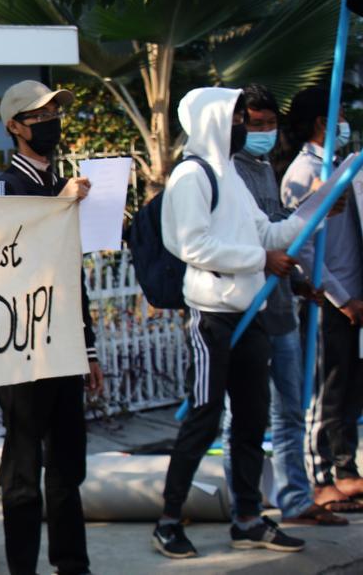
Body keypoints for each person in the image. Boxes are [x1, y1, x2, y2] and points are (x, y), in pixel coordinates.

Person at [153, 87, 307, 558]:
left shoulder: (232, 178)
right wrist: (260, 260)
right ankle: (168, 520)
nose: (244, 124)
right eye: (238, 116)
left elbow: (268, 232)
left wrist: (312, 211)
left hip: (250, 314)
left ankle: (247, 518)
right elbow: (191, 245)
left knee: (251, 420)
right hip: (212, 319)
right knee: (203, 418)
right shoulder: (190, 176)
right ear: (215, 120)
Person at [0, 79, 103, 575]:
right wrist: (60, 205)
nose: (50, 124)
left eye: (55, 115)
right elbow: (4, 263)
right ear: (14, 127)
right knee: (24, 471)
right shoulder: (4, 189)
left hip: (66, 348)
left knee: (68, 466)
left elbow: (72, 276)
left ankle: (73, 564)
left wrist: (90, 350)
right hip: (20, 355)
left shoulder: (65, 189)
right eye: (39, 117)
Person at [219, 84, 346, 526]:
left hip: (278, 310)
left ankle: (295, 498)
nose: (265, 132)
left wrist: (297, 280)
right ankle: (245, 507)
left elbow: (277, 231)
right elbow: (223, 242)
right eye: (256, 125)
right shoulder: (222, 174)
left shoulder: (265, 169)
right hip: (243, 310)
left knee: (290, 409)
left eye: (270, 124)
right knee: (244, 417)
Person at [280, 86, 363, 515]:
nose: (345, 120)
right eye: (340, 113)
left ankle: (346, 470)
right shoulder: (302, 173)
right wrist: (342, 297)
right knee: (326, 390)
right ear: (320, 122)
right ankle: (320, 476)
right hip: (330, 298)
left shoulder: (344, 166)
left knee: (350, 388)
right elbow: (304, 247)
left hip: (353, 295)